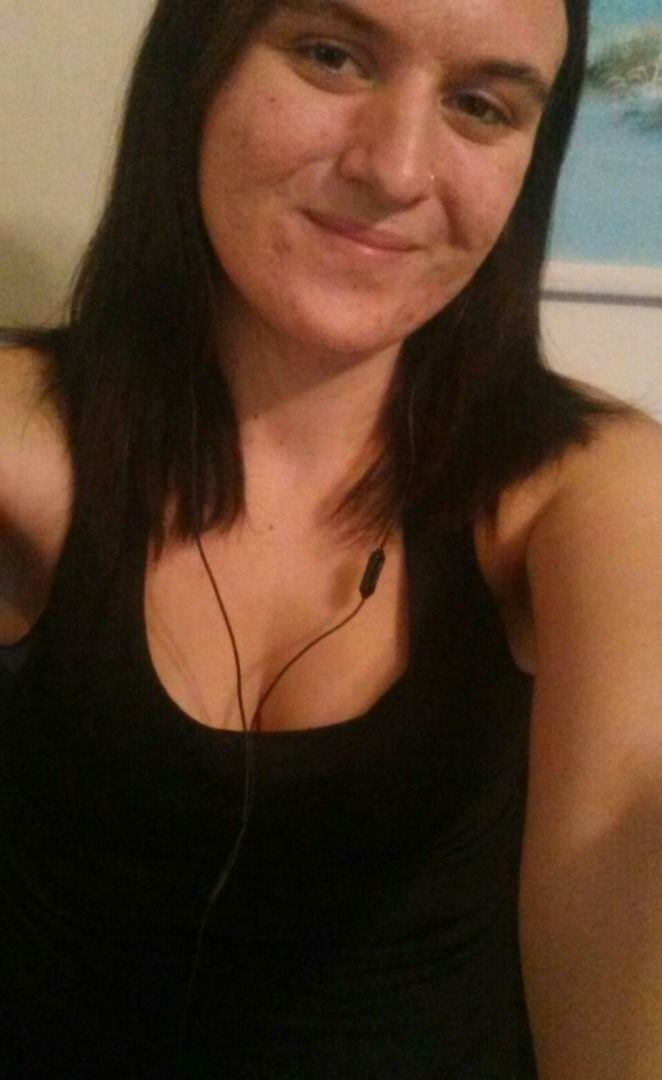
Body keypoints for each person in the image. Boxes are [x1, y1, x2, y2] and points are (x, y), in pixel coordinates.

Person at [1, 0, 661, 1076]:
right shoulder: (28, 430)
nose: (394, 169)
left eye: (480, 106)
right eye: (331, 55)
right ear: (197, 68)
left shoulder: (595, 491)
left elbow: (624, 901)